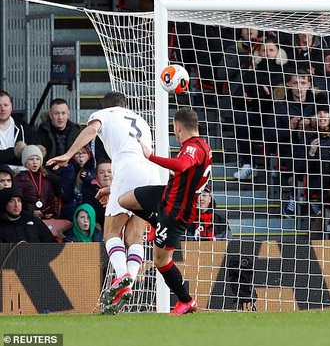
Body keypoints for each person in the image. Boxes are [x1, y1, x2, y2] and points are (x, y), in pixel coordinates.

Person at [46, 92, 166, 315]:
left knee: (111, 232)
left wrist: (68, 154)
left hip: (128, 170)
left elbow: (91, 130)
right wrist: (111, 188)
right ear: (125, 105)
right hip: (152, 174)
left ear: (106, 106)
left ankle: (122, 275)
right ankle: (128, 284)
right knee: (134, 236)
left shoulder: (104, 114)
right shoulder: (140, 120)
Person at [117, 107, 212, 315]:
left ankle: (186, 301)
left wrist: (150, 156)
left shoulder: (193, 148)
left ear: (178, 128)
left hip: (176, 211)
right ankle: (155, 221)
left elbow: (181, 164)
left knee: (161, 260)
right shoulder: (200, 145)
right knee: (124, 199)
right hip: (166, 196)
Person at [0, 90, 35, 166]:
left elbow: (32, 153)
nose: (2, 109)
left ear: (11, 107)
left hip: (21, 174)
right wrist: (15, 152)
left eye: (6, 105)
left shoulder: (24, 128)